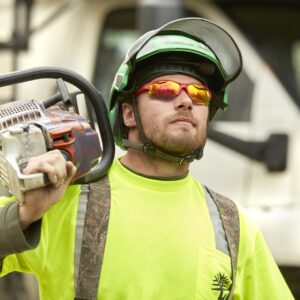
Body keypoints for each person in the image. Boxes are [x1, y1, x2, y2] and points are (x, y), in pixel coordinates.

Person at [0, 18, 294, 300]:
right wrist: (24, 216)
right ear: (128, 113)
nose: (186, 100)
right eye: (164, 89)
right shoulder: (65, 196)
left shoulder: (234, 226)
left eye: (199, 94)